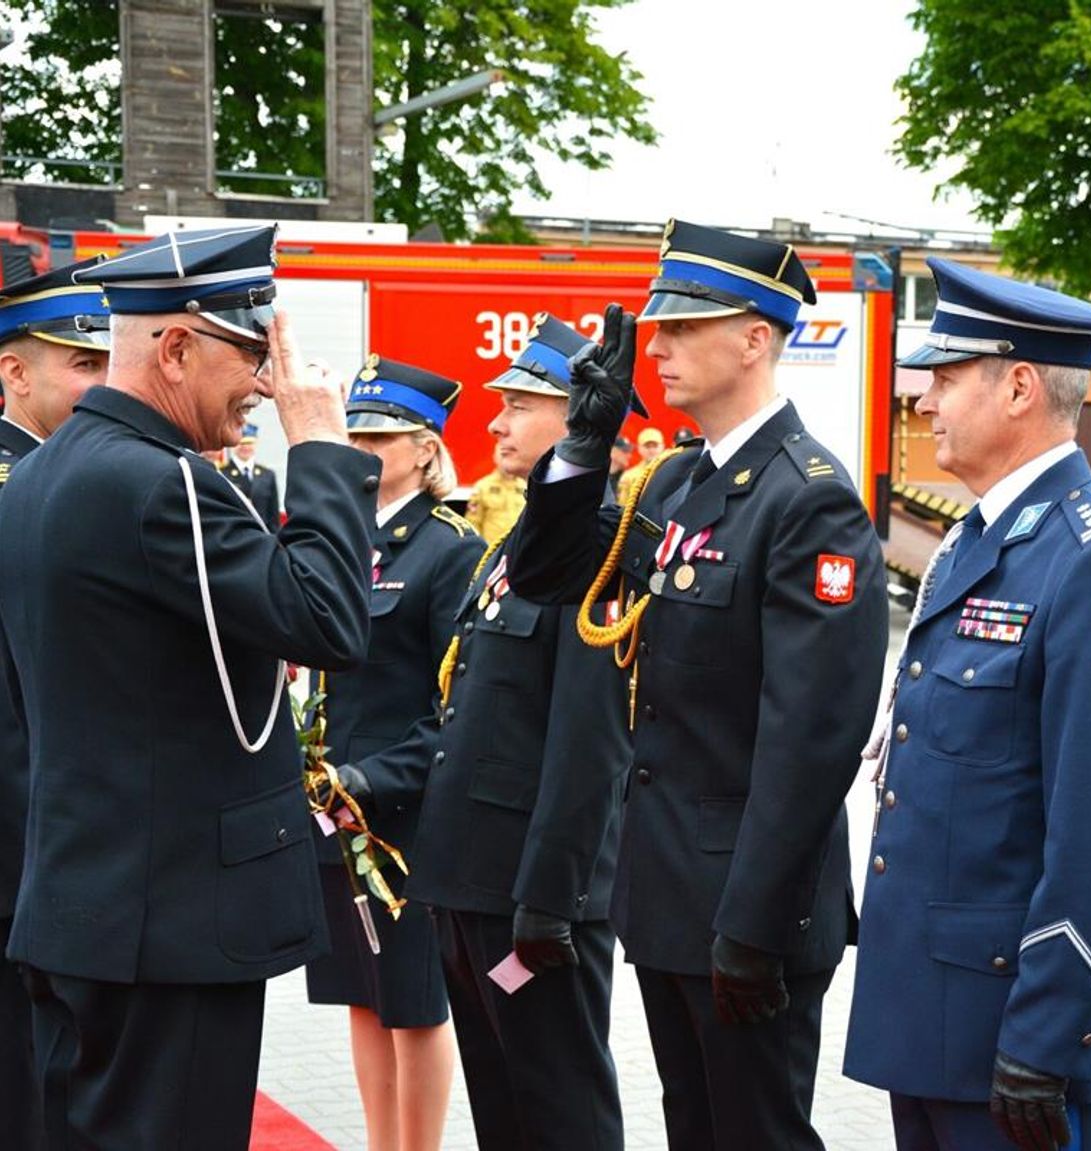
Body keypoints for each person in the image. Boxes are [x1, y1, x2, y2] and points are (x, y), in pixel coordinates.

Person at [504, 220, 889, 1151]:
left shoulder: (808, 497)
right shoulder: (677, 481)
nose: (655, 347)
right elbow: (548, 575)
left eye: (680, 328)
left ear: (755, 338)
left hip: (747, 908)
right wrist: (585, 451)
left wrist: (755, 925)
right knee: (695, 1132)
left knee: (756, 1135)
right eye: (654, 328)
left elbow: (810, 740)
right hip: (670, 893)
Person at [0, 224, 378, 1151]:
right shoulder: (162, 483)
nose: (263, 381)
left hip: (83, 909)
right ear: (174, 346)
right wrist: (324, 446)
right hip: (167, 927)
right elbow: (329, 620)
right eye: (250, 353)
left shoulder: (39, 474)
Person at [843, 258, 1091, 1151]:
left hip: (1013, 1032)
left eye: (946, 379)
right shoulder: (978, 536)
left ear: (1020, 386)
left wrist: (1045, 1032)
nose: (925, 403)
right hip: (932, 1018)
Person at [408, 313, 631, 1149]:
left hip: (530, 895)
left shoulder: (599, 547)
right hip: (471, 881)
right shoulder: (510, 549)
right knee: (503, 1109)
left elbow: (588, 745)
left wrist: (551, 900)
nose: (495, 422)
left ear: (577, 420)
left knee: (560, 1109)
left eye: (519, 405)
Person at [303, 354, 481, 1151]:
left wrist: (372, 780)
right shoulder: (344, 535)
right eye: (354, 432)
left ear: (423, 448)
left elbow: (457, 705)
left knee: (413, 1002)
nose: (361, 448)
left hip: (401, 815)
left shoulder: (449, 548)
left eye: (378, 436)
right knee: (363, 995)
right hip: (336, 808)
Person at [0, 259, 111, 1151]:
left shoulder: (70, 476)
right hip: (26, 851)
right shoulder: (24, 488)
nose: (102, 382)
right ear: (14, 372)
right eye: (82, 364)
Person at [220, 421, 282, 528]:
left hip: (262, 536)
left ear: (255, 444)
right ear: (234, 446)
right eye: (242, 443)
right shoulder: (222, 473)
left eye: (249, 443)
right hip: (234, 535)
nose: (245, 447)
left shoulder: (267, 475)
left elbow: (273, 515)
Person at [464, 439, 527, 540]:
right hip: (491, 551)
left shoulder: (524, 486)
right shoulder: (483, 487)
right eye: (503, 455)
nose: (506, 459)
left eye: (510, 455)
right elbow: (472, 524)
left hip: (517, 549)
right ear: (495, 457)